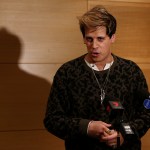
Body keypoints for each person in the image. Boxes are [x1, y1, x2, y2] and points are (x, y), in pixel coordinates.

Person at [43, 5, 150, 150]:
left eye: (100, 39)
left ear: (112, 37)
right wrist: (86, 127)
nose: (94, 46)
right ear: (84, 38)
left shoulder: (131, 71)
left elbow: (146, 113)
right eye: (89, 39)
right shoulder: (67, 73)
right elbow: (52, 120)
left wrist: (124, 135)